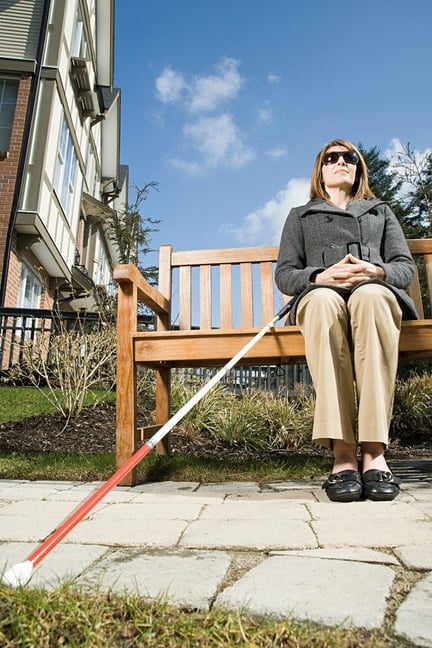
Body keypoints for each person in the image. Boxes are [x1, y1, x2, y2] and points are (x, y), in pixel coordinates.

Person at [275, 139, 418, 502]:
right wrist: (319, 277)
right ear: (320, 170)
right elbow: (285, 275)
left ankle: (373, 453)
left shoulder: (379, 212)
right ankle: (342, 454)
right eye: (331, 157)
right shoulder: (300, 216)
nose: (341, 162)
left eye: (349, 157)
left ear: (358, 169)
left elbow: (405, 268)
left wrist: (376, 270)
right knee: (322, 303)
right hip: (323, 300)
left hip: (373, 297)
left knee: (371, 296)